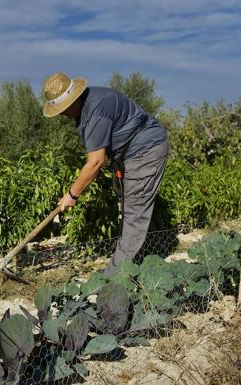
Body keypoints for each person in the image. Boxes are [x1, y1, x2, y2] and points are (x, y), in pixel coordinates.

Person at [42, 72, 169, 275]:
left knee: (134, 218)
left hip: (145, 150)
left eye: (63, 109)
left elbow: (95, 162)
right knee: (132, 210)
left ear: (74, 99)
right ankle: (145, 259)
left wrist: (72, 194)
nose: (62, 114)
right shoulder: (86, 106)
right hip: (128, 153)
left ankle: (112, 283)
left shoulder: (96, 109)